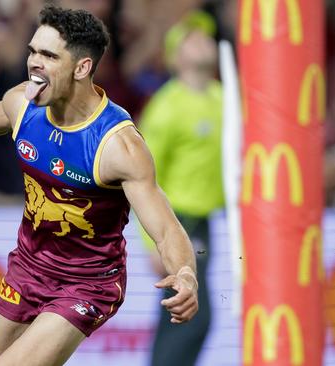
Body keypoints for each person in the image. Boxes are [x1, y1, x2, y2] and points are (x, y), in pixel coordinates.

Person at [0, 5, 198, 366]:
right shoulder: (25, 104)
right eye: (32, 51)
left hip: (87, 283)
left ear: (82, 67)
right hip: (28, 267)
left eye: (47, 55)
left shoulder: (117, 146)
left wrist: (185, 273)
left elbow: (166, 230)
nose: (33, 63)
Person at [138, 10, 224, 366]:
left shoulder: (224, 99)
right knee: (194, 315)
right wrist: (152, 242)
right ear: (176, 57)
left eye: (206, 35)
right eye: (192, 38)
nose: (204, 40)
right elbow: (142, 178)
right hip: (178, 224)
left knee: (180, 315)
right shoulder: (166, 108)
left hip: (204, 222)